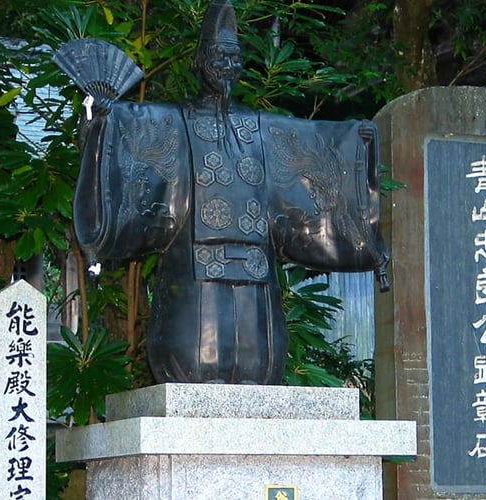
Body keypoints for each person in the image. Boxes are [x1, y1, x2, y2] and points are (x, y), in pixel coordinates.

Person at [72, 0, 389, 385]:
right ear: (199, 61)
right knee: (198, 370)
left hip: (258, 271)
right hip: (194, 269)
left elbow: (317, 149)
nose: (228, 65)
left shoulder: (263, 129)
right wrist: (101, 120)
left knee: (258, 369)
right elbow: (127, 135)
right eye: (220, 56)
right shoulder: (173, 123)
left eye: (234, 57)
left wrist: (359, 141)